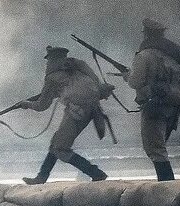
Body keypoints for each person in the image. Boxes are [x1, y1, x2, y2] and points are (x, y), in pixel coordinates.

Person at [18, 46, 111, 184]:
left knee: (60, 148)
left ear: (51, 60)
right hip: (93, 109)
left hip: (76, 112)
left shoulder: (52, 77)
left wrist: (27, 104)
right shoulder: (78, 66)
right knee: (56, 142)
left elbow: (42, 106)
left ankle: (96, 173)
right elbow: (87, 85)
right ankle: (42, 177)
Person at [123, 19, 180, 180]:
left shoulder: (144, 56)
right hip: (173, 107)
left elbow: (135, 81)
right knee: (159, 146)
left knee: (155, 149)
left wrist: (127, 76)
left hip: (155, 106)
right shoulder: (173, 58)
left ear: (147, 35)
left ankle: (168, 187)